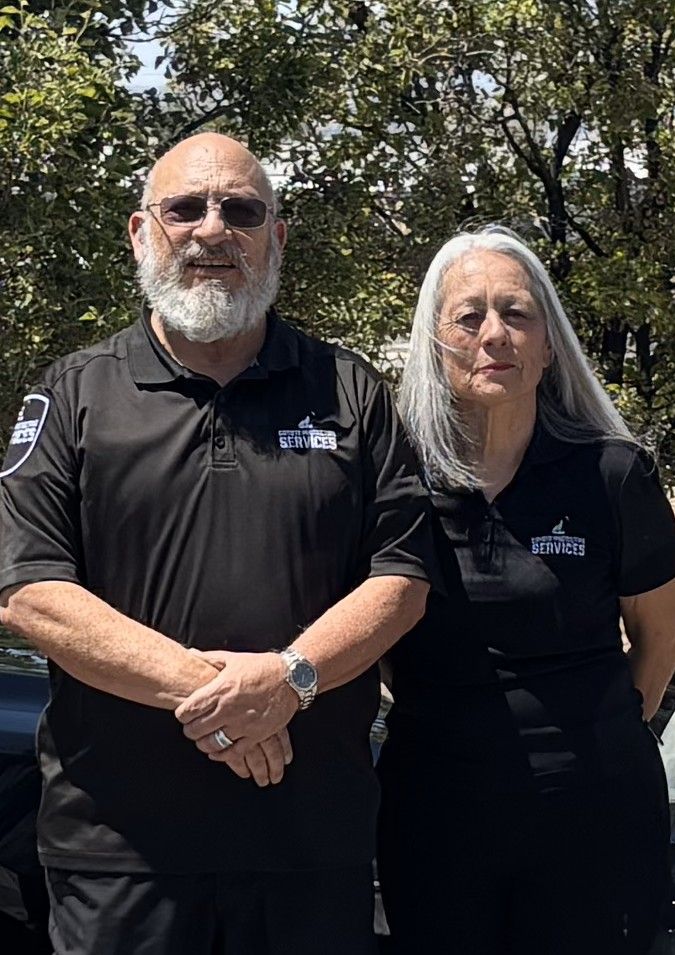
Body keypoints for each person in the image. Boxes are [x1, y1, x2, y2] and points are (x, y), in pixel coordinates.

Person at [0, 132, 435, 955]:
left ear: (277, 235)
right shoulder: (72, 393)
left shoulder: (350, 391)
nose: (212, 230)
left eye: (240, 210)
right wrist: (231, 697)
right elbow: (31, 589)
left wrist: (290, 676)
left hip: (309, 848)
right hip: (118, 853)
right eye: (184, 209)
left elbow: (402, 578)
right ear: (140, 232)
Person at [377, 228, 675, 955]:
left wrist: (584, 742)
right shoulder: (392, 480)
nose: (493, 335)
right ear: (435, 344)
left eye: (516, 314)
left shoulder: (611, 473)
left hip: (593, 814)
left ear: (547, 345)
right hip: (434, 811)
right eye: (468, 316)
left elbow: (661, 639)